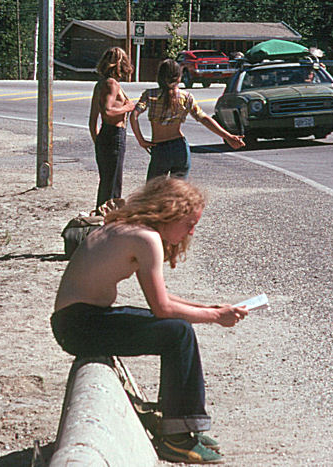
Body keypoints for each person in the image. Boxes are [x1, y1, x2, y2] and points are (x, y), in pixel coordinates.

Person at [51, 176, 246, 464]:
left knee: (179, 328)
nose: (192, 231)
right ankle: (177, 438)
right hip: (80, 326)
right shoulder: (146, 238)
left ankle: (182, 425)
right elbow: (162, 309)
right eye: (189, 223)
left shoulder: (130, 229)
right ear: (170, 213)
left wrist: (210, 307)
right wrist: (216, 317)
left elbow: (161, 299)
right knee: (178, 332)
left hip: (77, 322)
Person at [130, 59, 244, 180]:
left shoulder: (150, 94)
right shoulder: (186, 97)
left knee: (153, 193)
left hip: (159, 149)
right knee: (179, 193)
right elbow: (204, 118)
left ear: (160, 76)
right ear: (179, 77)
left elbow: (134, 115)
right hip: (180, 147)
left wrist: (141, 140)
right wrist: (228, 136)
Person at [89, 47, 136, 208]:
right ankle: (108, 220)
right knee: (113, 185)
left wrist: (99, 141)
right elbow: (108, 111)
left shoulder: (100, 84)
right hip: (114, 134)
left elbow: (92, 121)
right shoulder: (112, 84)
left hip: (105, 135)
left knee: (107, 182)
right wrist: (127, 107)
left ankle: (103, 217)